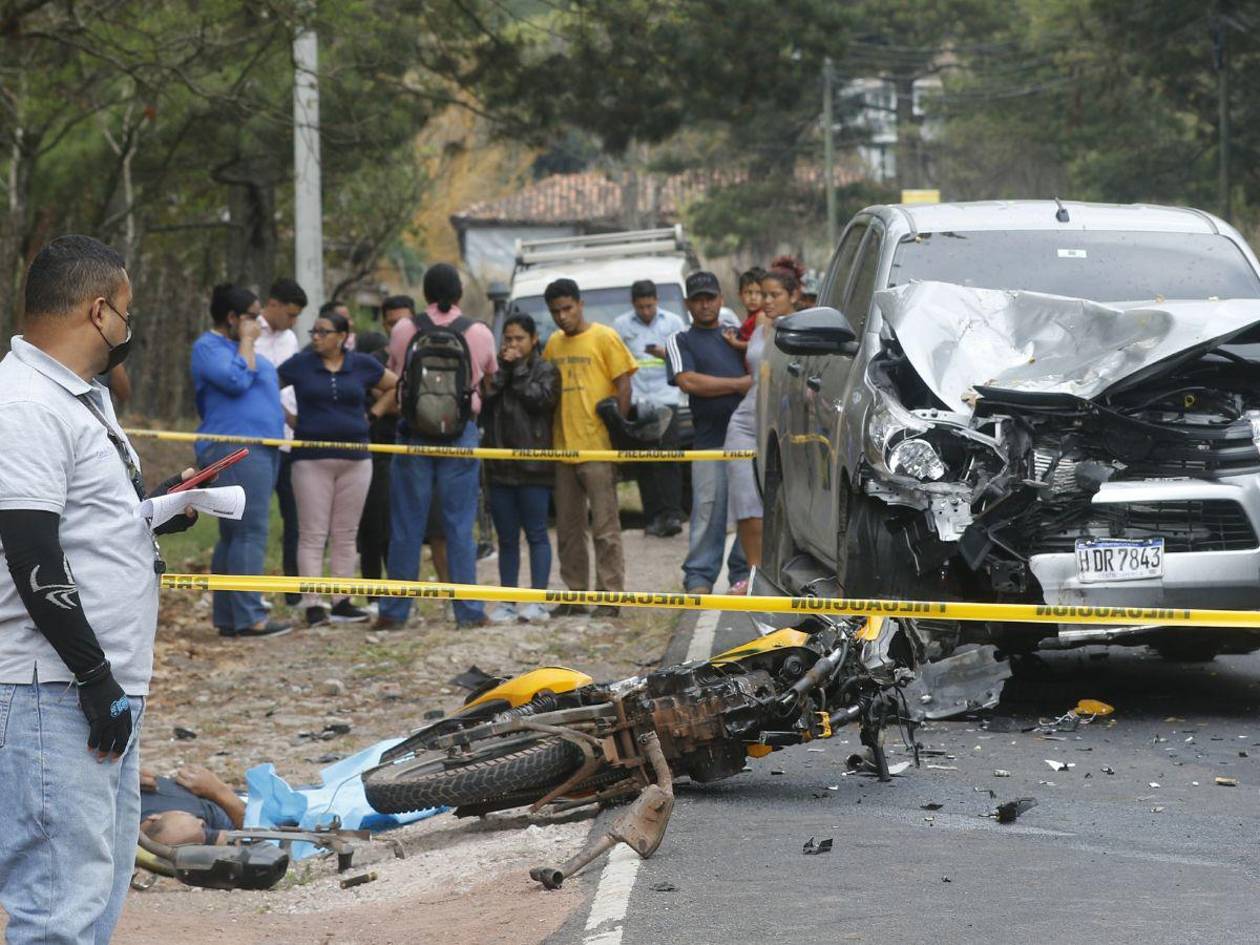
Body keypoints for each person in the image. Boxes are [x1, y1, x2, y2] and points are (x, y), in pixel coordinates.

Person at [0, 234, 198, 944]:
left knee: (95, 889)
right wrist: (91, 675)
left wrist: (155, 513)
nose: (128, 329)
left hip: (98, 683)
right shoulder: (25, 404)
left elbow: (77, 523)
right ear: (99, 310)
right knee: (58, 904)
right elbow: (30, 550)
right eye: (127, 312)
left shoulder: (81, 398)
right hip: (53, 689)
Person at [376, 264, 497, 631]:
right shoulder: (478, 332)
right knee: (460, 525)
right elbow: (489, 379)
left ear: (425, 294)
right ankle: (469, 612)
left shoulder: (403, 329)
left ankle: (395, 612)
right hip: (460, 436)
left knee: (406, 526)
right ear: (459, 293)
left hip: (413, 434)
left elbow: (397, 373)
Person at [279, 310, 398, 627]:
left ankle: (342, 600)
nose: (316, 337)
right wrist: (288, 419)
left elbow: (394, 386)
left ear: (342, 337)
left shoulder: (362, 364)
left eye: (323, 332)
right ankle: (314, 604)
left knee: (346, 534)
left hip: (356, 459)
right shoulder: (300, 364)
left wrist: (372, 414)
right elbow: (268, 386)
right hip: (311, 460)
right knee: (312, 534)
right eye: (313, 332)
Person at [191, 284, 292, 638]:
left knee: (235, 533)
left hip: (261, 449)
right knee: (249, 531)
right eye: (252, 316)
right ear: (232, 318)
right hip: (235, 448)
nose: (259, 323)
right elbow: (234, 381)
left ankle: (230, 617)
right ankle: (250, 616)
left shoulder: (238, 349)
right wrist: (248, 343)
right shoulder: (208, 347)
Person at [542, 278, 637, 617]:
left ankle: (610, 597)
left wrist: (618, 426)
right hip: (563, 448)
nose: (562, 317)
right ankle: (574, 596)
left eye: (567, 309)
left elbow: (623, 382)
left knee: (605, 528)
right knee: (568, 530)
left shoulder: (604, 336)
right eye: (555, 311)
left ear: (580, 305)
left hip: (597, 448)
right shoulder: (552, 344)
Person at [666, 271, 751, 594]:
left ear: (721, 299)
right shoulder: (680, 340)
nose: (705, 305)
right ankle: (699, 577)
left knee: (749, 511)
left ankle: (743, 576)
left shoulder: (737, 336)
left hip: (748, 440)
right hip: (709, 442)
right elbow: (689, 382)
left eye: (710, 298)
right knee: (707, 511)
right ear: (688, 304)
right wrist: (737, 386)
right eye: (698, 300)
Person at [722, 262, 802, 592]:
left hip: (786, 422)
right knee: (745, 499)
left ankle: (785, 574)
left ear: (794, 295)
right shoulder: (760, 326)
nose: (767, 301)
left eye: (775, 295)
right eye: (763, 294)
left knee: (786, 500)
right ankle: (755, 578)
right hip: (746, 420)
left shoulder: (801, 327)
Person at [480, 312, 560, 624]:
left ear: (533, 340)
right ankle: (507, 601)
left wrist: (518, 370)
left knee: (537, 534)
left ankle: (538, 600)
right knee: (507, 538)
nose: (513, 344)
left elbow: (538, 400)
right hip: (500, 466)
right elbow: (485, 398)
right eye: (508, 339)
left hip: (535, 467)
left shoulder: (545, 370)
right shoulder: (498, 370)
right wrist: (504, 371)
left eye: (519, 339)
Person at [613, 279, 686, 538]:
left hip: (667, 399)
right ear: (634, 304)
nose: (646, 311)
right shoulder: (621, 326)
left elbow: (684, 356)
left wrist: (662, 353)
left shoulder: (674, 322)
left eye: (650, 306)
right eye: (641, 307)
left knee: (669, 460)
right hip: (638, 401)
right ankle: (653, 516)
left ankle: (672, 514)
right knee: (645, 461)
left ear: (657, 301)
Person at [258, 277, 308, 606]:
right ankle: (250, 591)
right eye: (289, 314)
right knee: (255, 520)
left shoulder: (290, 339)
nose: (292, 322)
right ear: (272, 304)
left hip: (289, 441)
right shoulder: (248, 336)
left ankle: (294, 590)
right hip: (258, 441)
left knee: (296, 519)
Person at [140, 763, 245, 846]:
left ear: (154, 818)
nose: (201, 822)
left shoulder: (130, 802)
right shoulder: (186, 834)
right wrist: (219, 791)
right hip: (243, 810)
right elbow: (254, 840)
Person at [722, 267, 766, 354]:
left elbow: (759, 346)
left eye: (759, 293)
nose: (753, 298)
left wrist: (736, 343)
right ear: (740, 295)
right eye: (748, 292)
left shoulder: (761, 316)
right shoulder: (750, 318)